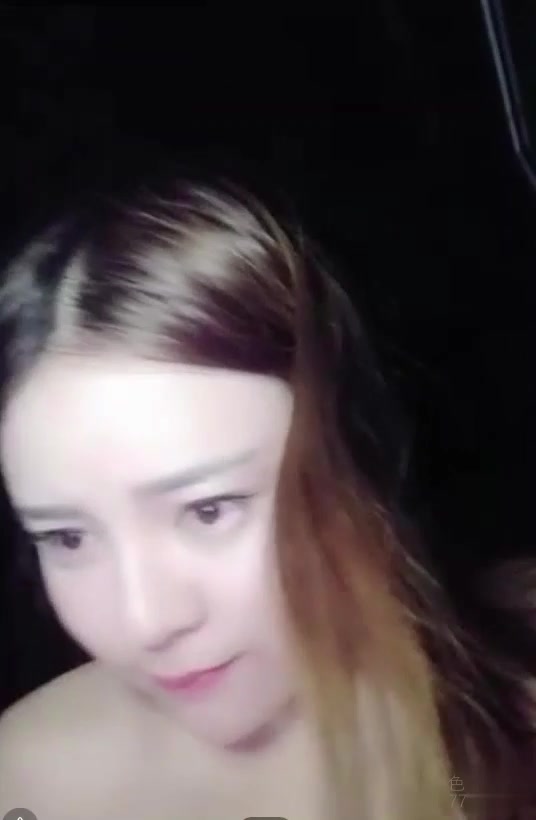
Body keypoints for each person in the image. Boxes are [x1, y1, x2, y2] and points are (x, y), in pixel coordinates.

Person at [0, 176, 510, 819]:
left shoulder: (508, 733)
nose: (144, 622)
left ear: (349, 464)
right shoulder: (20, 784)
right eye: (68, 538)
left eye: (207, 510)